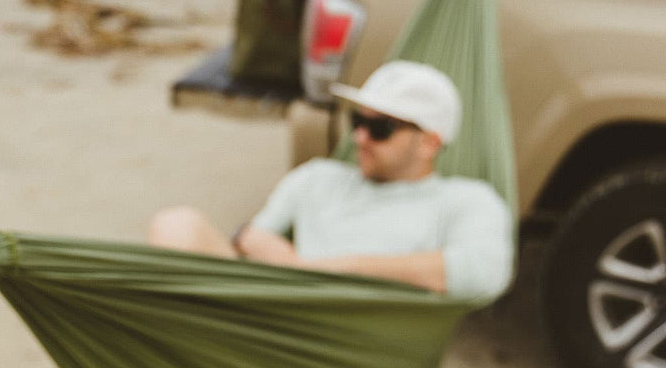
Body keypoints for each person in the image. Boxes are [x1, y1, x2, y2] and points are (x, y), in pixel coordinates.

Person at [149, 60, 513, 301]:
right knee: (176, 224)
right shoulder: (318, 177)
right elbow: (254, 240)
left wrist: (323, 270)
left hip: (346, 346)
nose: (360, 138)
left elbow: (485, 274)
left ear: (430, 142)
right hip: (271, 317)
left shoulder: (465, 200)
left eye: (380, 128)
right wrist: (247, 237)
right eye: (358, 121)